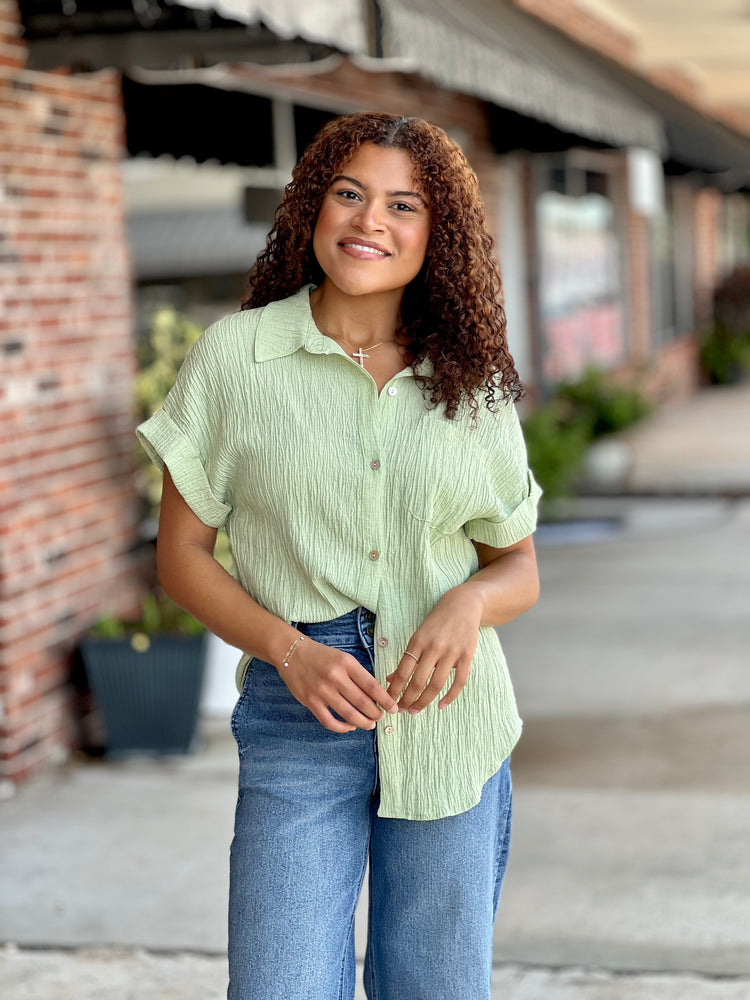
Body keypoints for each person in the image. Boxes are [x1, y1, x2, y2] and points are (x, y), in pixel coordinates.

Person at [135, 111, 541, 1000]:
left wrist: (468, 603)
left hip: (448, 711)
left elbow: (518, 566)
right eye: (350, 194)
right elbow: (182, 556)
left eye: (403, 205)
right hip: (298, 709)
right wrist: (289, 650)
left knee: (436, 988)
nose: (370, 222)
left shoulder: (471, 381)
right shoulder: (236, 359)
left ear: (437, 234)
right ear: (312, 207)